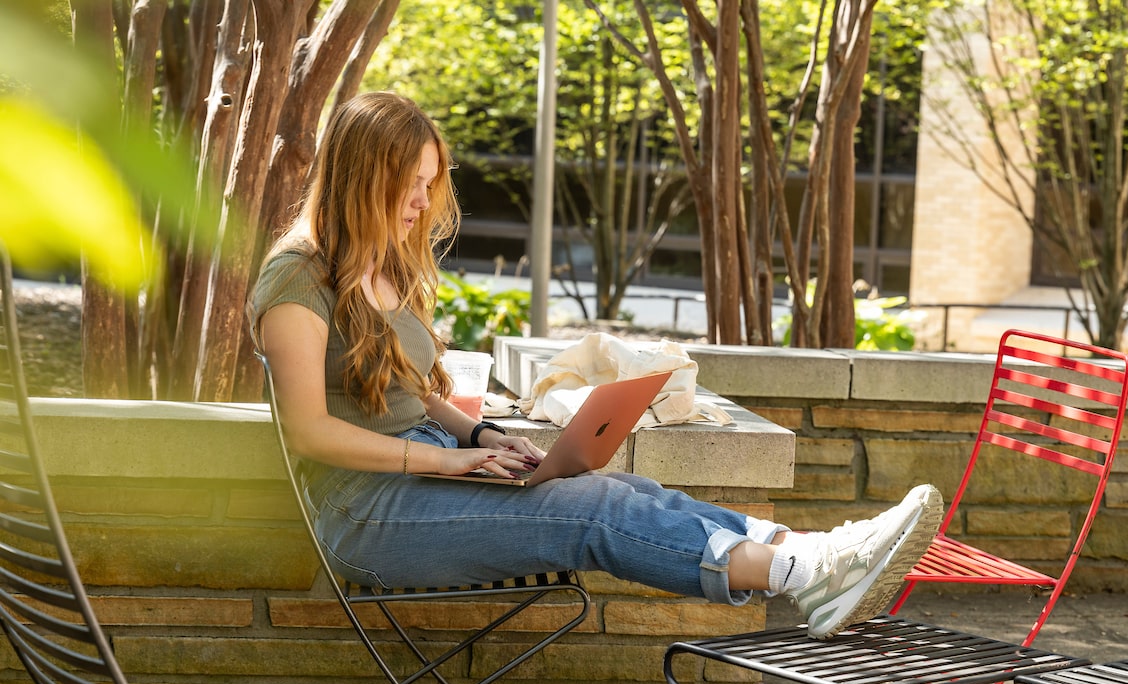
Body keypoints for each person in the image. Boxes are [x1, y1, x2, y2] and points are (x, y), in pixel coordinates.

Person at [249, 92, 941, 639]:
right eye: (410, 185)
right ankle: (801, 573)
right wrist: (446, 463)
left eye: (430, 184)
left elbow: (406, 388)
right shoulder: (297, 281)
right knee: (596, 511)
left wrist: (479, 439)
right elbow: (308, 430)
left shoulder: (384, 262)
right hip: (362, 514)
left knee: (629, 489)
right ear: (361, 177)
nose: (424, 204)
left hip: (426, 469)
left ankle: (805, 553)